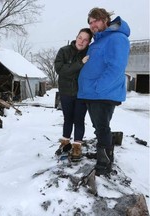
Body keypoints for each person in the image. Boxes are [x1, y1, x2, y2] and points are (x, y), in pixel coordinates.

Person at [78, 8, 130, 175]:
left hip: (102, 93)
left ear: (106, 19)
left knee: (102, 127)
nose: (93, 25)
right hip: (93, 93)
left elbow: (116, 67)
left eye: (96, 21)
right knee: (99, 127)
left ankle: (104, 163)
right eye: (90, 22)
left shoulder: (117, 38)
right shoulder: (98, 42)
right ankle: (104, 154)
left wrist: (98, 87)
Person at [54, 28, 93, 162]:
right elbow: (60, 70)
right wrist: (80, 63)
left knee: (79, 120)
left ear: (89, 42)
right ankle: (65, 142)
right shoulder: (64, 51)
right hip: (66, 92)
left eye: (85, 39)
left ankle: (77, 146)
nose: (81, 41)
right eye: (80, 37)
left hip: (82, 93)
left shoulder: (90, 53)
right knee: (67, 118)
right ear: (76, 37)